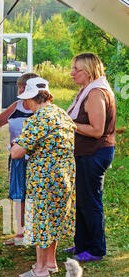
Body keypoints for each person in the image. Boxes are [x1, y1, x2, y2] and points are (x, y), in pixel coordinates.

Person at [10, 77, 76, 277]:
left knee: (41, 221)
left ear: (32, 98)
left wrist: (16, 144)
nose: (24, 104)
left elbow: (16, 153)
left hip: (44, 178)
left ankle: (40, 271)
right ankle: (50, 263)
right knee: (54, 218)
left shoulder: (38, 119)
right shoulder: (61, 114)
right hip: (64, 176)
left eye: (25, 100)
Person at [66, 53, 116, 262]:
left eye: (76, 69)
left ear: (88, 71)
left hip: (94, 153)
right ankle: (82, 244)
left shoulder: (96, 93)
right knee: (82, 200)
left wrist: (66, 123)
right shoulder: (87, 90)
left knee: (90, 201)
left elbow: (97, 130)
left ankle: (95, 249)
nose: (72, 73)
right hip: (86, 153)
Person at [0, 73, 38, 245]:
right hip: (17, 158)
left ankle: (35, 234)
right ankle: (20, 233)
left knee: (35, 196)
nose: (21, 90)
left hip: (36, 160)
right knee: (18, 196)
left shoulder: (40, 108)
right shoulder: (16, 106)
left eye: (24, 87)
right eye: (19, 86)